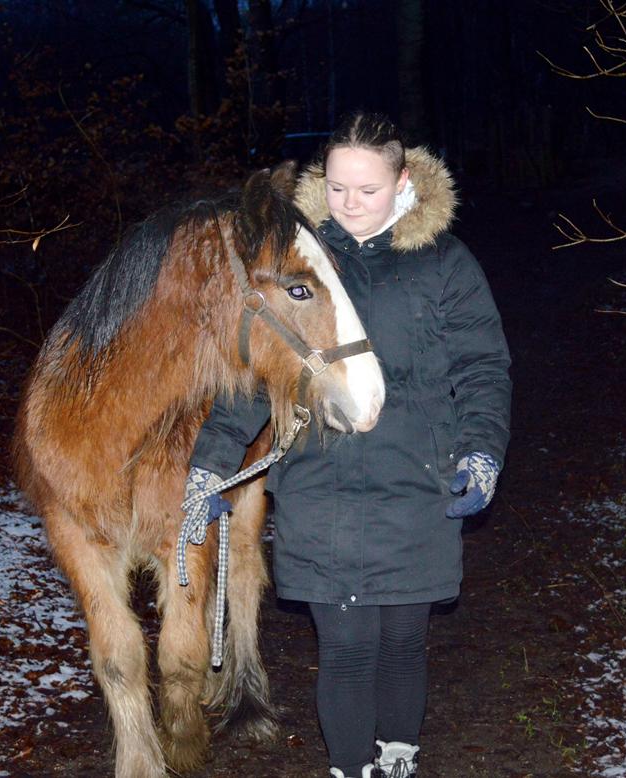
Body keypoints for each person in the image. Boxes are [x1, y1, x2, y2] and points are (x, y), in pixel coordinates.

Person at [185, 111, 511, 778]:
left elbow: (482, 367)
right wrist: (210, 468)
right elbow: (256, 376)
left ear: (402, 181)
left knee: (400, 643)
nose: (350, 204)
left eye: (367, 190)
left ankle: (397, 757)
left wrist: (482, 449)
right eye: (337, 188)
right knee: (347, 647)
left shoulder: (443, 263)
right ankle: (348, 769)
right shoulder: (298, 260)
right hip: (319, 487)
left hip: (416, 483)